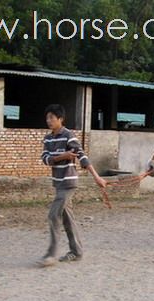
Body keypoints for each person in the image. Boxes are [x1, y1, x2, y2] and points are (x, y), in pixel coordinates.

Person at [39, 104, 106, 267]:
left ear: (60, 119)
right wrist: (63, 156)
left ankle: (51, 254)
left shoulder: (69, 136)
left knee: (53, 215)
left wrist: (97, 177)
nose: (49, 121)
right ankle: (76, 252)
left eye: (52, 118)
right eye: (47, 118)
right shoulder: (48, 139)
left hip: (69, 182)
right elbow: (45, 159)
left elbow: (82, 157)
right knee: (67, 218)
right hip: (58, 182)